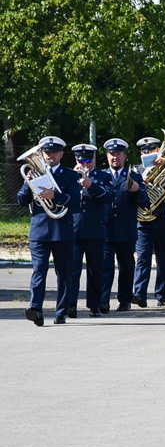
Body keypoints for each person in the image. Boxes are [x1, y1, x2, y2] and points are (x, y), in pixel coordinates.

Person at [17, 136, 80, 326]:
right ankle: (35, 308)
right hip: (40, 230)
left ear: (61, 154)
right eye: (46, 153)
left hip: (62, 230)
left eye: (53, 152)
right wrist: (28, 184)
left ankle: (61, 311)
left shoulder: (70, 175)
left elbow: (76, 201)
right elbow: (22, 200)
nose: (49, 156)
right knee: (39, 270)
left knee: (64, 273)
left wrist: (56, 195)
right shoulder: (34, 173)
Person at [132, 136, 165, 308]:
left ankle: (161, 294)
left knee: (163, 258)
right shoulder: (136, 170)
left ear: (158, 150)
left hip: (162, 220)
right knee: (143, 259)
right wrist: (140, 186)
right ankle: (139, 294)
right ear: (141, 153)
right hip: (143, 221)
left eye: (152, 149)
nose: (148, 153)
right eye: (145, 151)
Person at [101, 138, 148, 314]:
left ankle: (125, 300)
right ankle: (103, 301)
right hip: (105, 229)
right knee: (104, 267)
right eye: (112, 154)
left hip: (125, 229)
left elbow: (145, 202)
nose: (115, 157)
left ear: (124, 156)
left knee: (126, 267)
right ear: (107, 156)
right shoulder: (101, 176)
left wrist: (137, 191)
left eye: (118, 154)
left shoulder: (134, 176)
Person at [68, 143, 113, 318]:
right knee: (72, 269)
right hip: (73, 229)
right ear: (76, 159)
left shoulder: (103, 176)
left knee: (95, 270)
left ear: (94, 159)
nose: (85, 163)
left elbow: (109, 197)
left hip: (95, 229)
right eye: (81, 159)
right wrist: (74, 179)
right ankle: (70, 304)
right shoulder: (69, 176)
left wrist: (90, 185)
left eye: (88, 159)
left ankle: (94, 304)